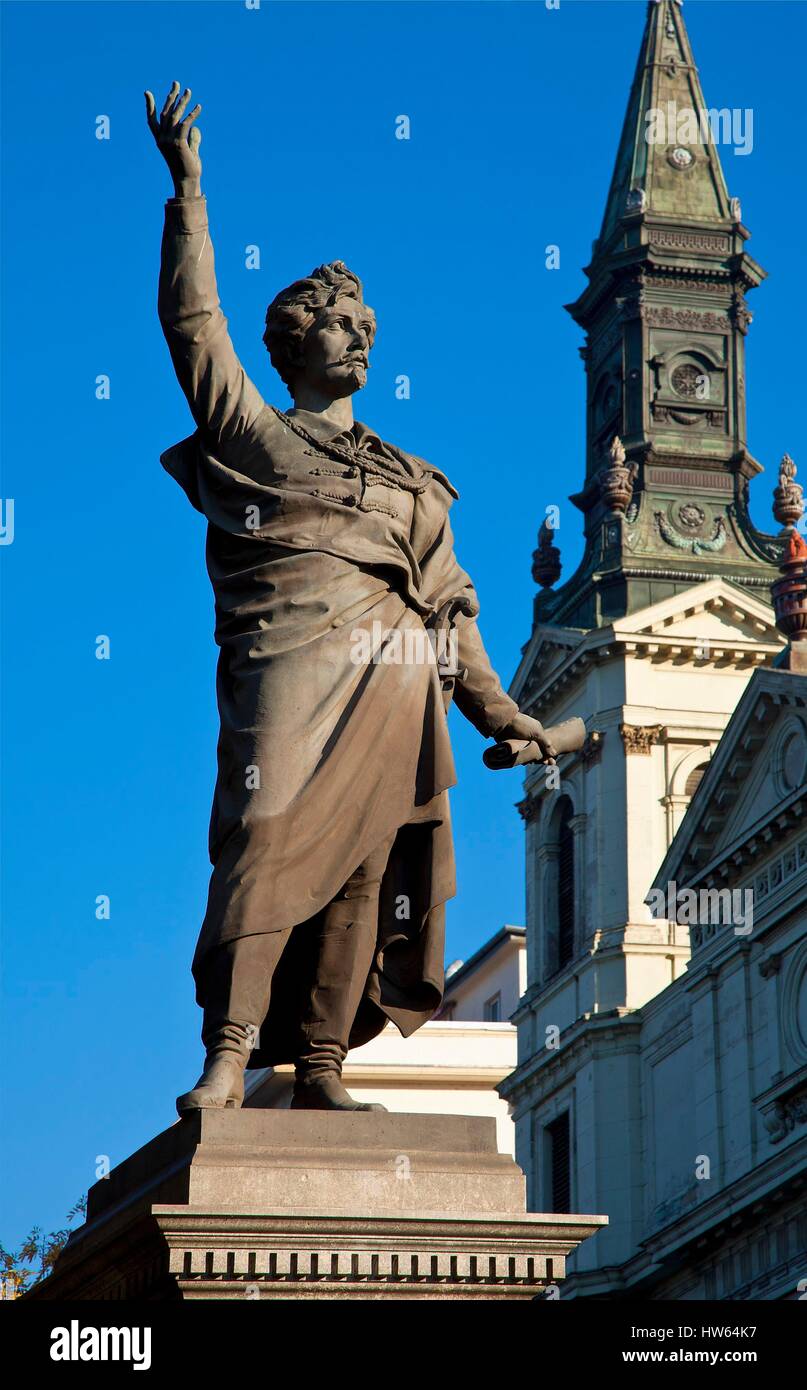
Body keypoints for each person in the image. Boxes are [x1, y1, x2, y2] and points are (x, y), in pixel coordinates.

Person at [145, 82, 556, 1115]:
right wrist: (189, 194)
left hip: (397, 690)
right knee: (267, 837)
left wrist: (504, 717)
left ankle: (323, 1064)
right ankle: (228, 1059)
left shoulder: (419, 481)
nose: (360, 338)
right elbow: (194, 329)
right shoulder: (259, 439)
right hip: (292, 672)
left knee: (369, 876)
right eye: (338, 325)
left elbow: (451, 612)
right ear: (291, 347)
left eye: (366, 324)